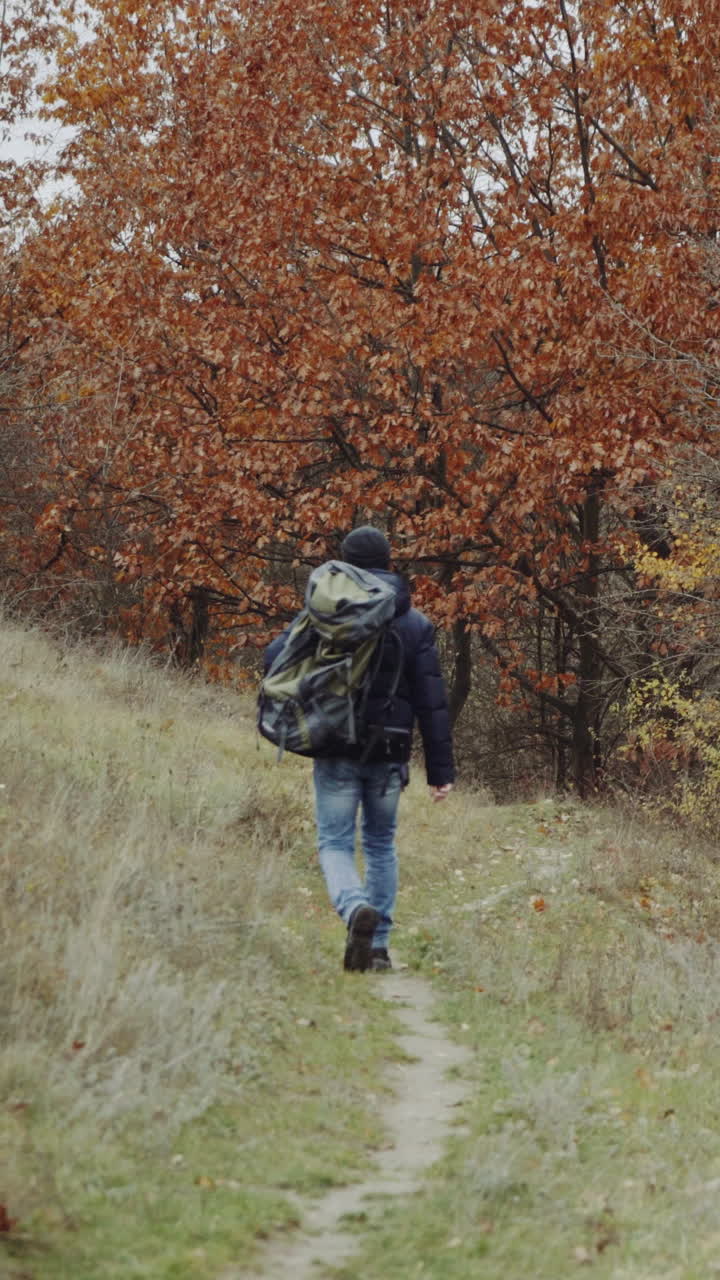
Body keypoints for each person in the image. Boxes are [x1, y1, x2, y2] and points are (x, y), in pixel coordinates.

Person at [263, 526, 455, 972]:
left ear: (345, 561)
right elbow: (432, 703)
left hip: (334, 742)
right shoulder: (415, 623)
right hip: (389, 749)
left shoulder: (326, 611)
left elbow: (273, 658)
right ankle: (380, 947)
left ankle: (353, 911)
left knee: (334, 840)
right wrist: (441, 771)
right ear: (390, 562)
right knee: (381, 843)